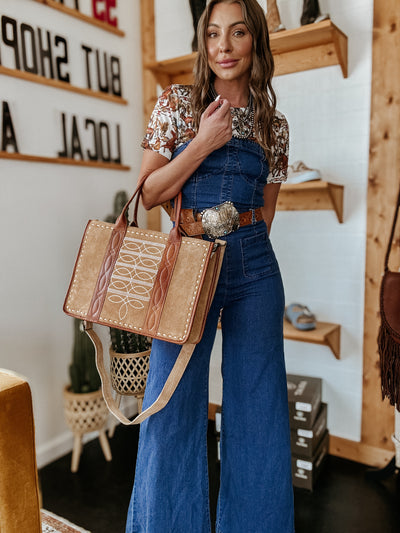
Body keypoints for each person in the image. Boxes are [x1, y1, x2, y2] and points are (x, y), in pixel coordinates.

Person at [126, 1, 294, 532]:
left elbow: (264, 215)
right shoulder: (178, 103)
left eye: (238, 33)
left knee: (259, 413)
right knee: (171, 406)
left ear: (255, 42)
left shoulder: (275, 125)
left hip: (254, 270)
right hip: (186, 265)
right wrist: (202, 143)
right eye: (214, 33)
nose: (223, 46)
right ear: (205, 42)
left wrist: (237, 256)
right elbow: (150, 192)